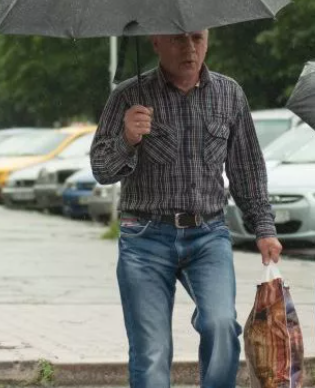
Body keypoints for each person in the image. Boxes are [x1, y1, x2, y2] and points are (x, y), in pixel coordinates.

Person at [90, 30, 282, 388]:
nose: (190, 48)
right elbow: (101, 170)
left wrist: (264, 228)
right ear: (156, 42)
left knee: (222, 325)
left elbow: (247, 170)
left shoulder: (229, 94)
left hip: (208, 235)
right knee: (152, 352)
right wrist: (127, 139)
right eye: (178, 39)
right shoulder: (129, 96)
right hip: (144, 238)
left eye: (197, 38)